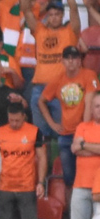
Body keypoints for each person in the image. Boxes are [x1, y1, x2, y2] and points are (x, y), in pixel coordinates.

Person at [40, 46, 98, 189]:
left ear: (79, 61)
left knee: (90, 174)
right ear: (62, 61)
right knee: (68, 178)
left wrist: (83, 131)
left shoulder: (89, 75)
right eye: (67, 58)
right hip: (66, 134)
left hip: (85, 133)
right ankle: (71, 204)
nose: (71, 61)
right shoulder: (58, 79)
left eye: (74, 58)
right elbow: (41, 101)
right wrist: (52, 124)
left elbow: (89, 102)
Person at [0, 102, 46, 219]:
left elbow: (42, 157)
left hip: (26, 186)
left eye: (17, 120)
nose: (14, 123)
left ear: (23, 117)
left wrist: (40, 182)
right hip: (5, 186)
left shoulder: (34, 132)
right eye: (11, 120)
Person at [24, 0, 82, 140]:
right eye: (51, 15)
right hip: (39, 88)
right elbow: (26, 10)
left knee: (63, 131)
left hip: (61, 89)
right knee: (40, 136)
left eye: (57, 14)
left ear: (62, 15)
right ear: (47, 16)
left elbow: (74, 9)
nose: (54, 17)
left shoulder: (70, 32)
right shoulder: (39, 30)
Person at [70, 94, 100, 219]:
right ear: (91, 109)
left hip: (99, 188)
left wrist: (84, 144)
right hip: (81, 185)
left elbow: (80, 147)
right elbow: (75, 149)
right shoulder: (82, 126)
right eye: (97, 106)